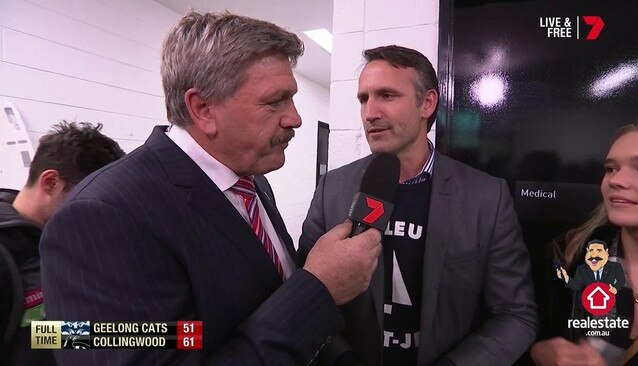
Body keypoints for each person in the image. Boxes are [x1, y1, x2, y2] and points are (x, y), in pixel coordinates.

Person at [39, 12, 382, 366]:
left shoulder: (252, 183)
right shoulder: (100, 216)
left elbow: (274, 293)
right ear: (203, 109)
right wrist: (319, 290)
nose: (295, 118)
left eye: (291, 99)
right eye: (274, 101)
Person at [298, 45, 537, 366]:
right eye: (363, 99)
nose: (369, 113)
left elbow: (515, 316)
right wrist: (340, 358)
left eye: (386, 95)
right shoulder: (333, 189)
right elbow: (304, 293)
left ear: (427, 103)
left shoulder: (486, 197)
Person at [0, 121, 125, 365]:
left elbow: (53, 334)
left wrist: (169, 335)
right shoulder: (9, 254)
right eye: (87, 199)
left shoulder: (64, 242)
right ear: (51, 182)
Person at [531, 119, 638, 366]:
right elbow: (525, 334)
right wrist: (539, 353)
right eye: (611, 169)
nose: (616, 181)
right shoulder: (568, 258)